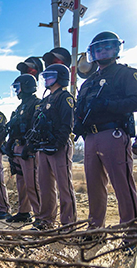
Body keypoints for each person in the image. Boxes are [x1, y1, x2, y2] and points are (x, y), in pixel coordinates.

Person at [74, 31, 137, 232]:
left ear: (117, 49)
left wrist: (109, 104)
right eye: (98, 49)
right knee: (94, 186)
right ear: (92, 53)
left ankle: (131, 233)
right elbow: (80, 107)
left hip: (114, 134)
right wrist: (78, 124)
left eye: (107, 47)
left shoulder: (126, 74)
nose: (102, 52)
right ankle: (95, 230)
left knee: (123, 186)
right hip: (90, 138)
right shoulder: (88, 82)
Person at [25, 64, 77, 230]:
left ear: (61, 77)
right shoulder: (45, 100)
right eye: (45, 76)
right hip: (43, 147)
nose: (47, 79)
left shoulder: (65, 97)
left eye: (51, 76)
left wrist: (58, 144)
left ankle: (68, 223)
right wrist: (32, 143)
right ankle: (46, 220)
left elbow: (67, 124)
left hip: (58, 146)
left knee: (64, 186)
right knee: (45, 186)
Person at [4, 74, 41, 223]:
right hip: (17, 147)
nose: (17, 91)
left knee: (32, 183)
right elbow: (14, 128)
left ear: (26, 86)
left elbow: (37, 126)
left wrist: (30, 146)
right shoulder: (21, 107)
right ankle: (24, 211)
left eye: (18, 88)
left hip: (29, 148)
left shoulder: (36, 104)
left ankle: (40, 215)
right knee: (21, 183)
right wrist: (9, 144)